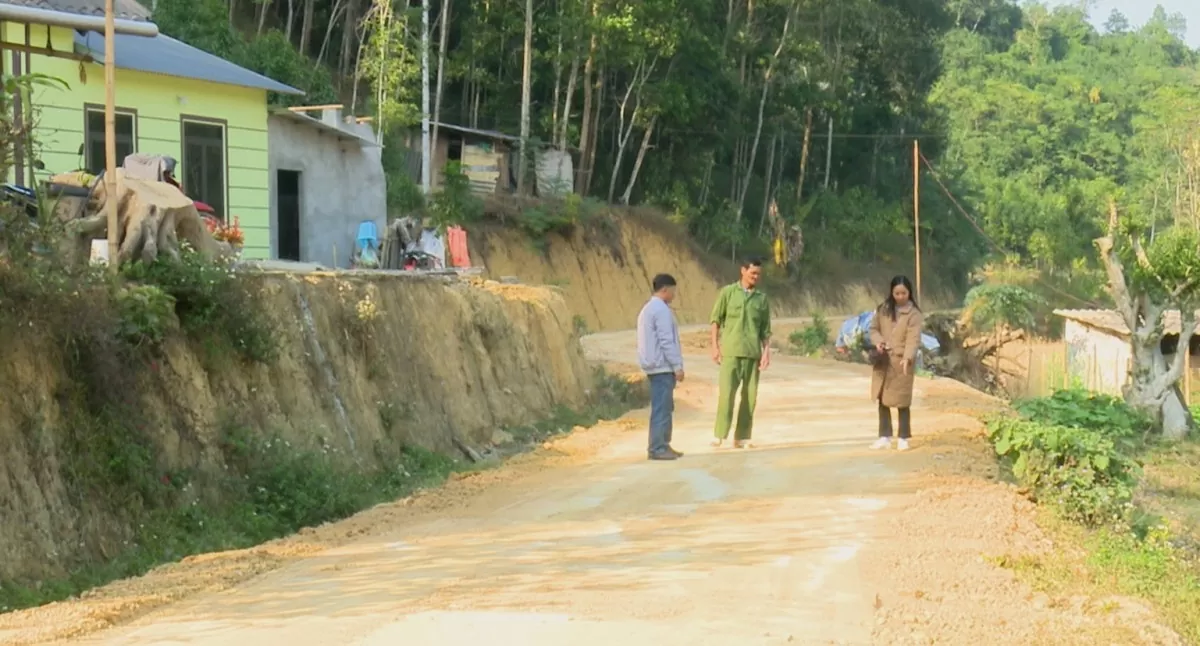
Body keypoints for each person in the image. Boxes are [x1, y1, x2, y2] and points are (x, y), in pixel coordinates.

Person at [710, 258, 772, 448]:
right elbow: (715, 321)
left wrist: (766, 352)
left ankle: (743, 436)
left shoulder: (761, 299)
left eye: (758, 274)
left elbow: (765, 330)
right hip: (731, 352)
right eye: (753, 273)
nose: (755, 277)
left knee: (750, 397)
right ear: (743, 271)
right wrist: (715, 346)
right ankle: (719, 434)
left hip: (752, 353)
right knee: (726, 394)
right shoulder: (728, 293)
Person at [868, 275, 924, 451]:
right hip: (883, 360)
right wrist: (878, 342)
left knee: (902, 401)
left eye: (903, 293)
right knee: (882, 399)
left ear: (909, 293)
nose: (900, 297)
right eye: (897, 293)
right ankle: (884, 436)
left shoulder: (914, 314)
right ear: (891, 293)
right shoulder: (883, 310)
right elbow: (873, 329)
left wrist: (908, 357)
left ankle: (903, 437)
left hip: (901, 363)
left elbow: (913, 339)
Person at [637, 273, 686, 461]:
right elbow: (666, 341)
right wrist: (677, 366)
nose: (674, 296)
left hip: (654, 366)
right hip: (662, 367)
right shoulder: (661, 310)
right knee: (662, 408)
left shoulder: (648, 309)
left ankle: (663, 445)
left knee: (663, 407)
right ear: (665, 289)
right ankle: (658, 447)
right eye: (673, 291)